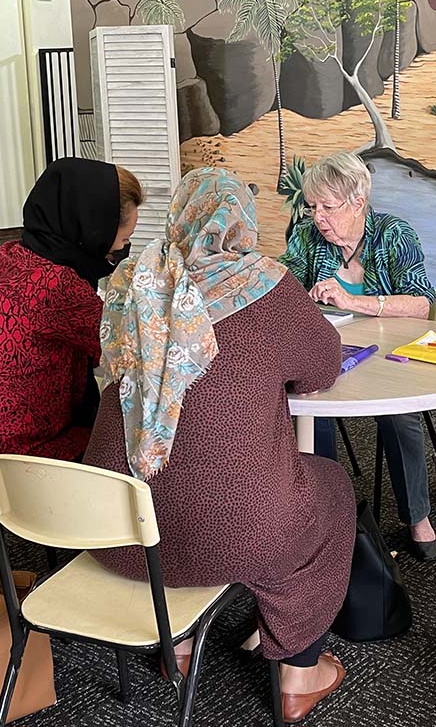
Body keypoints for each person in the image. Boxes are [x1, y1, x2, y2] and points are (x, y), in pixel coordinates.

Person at [84, 168, 354, 724]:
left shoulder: (128, 283)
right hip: (235, 529)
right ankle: (299, 673)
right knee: (329, 490)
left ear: (179, 216)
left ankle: (176, 646)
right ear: (243, 222)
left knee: (187, 483)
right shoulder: (266, 286)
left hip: (115, 526)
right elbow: (322, 365)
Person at [0, 158, 142, 504]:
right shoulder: (59, 286)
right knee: (116, 438)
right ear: (92, 227)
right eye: (122, 239)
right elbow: (131, 350)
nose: (121, 250)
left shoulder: (3, 258)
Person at [279, 151, 436, 560]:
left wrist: (358, 301)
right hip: (329, 349)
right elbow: (284, 289)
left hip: (391, 352)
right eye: (313, 206)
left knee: (400, 417)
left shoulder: (393, 234)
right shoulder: (306, 236)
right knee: (310, 409)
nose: (318, 217)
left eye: (328, 207)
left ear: (358, 203)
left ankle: (417, 516)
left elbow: (421, 304)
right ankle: (330, 512)